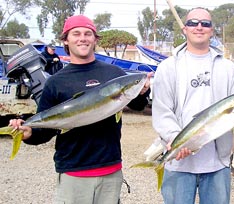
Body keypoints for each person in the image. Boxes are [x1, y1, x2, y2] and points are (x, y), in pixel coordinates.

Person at [9, 15, 151, 204]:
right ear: (66, 40)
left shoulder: (114, 73)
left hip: (110, 170)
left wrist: (141, 91)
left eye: (88, 33)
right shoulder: (55, 82)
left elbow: (137, 105)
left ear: (95, 39)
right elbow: (43, 131)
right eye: (76, 34)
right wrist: (28, 133)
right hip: (72, 172)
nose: (82, 38)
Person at [152, 7, 234, 204]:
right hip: (178, 162)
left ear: (212, 30)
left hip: (217, 164)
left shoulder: (228, 68)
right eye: (193, 23)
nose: (199, 27)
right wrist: (174, 139)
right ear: (184, 29)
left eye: (205, 24)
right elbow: (162, 111)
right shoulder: (167, 68)